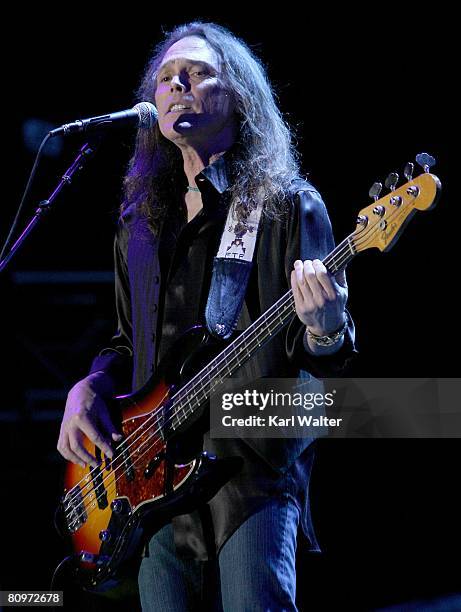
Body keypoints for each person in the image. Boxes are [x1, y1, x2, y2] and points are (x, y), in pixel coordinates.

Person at [57, 22, 356, 611]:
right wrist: (89, 385)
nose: (177, 85)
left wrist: (326, 326)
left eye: (196, 73)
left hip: (252, 471)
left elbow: (324, 353)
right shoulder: (141, 225)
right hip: (149, 485)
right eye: (166, 78)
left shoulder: (284, 205)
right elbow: (127, 345)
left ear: (238, 95)